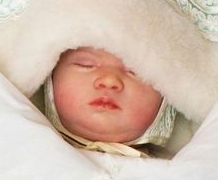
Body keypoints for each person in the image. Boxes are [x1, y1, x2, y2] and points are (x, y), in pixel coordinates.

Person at [42, 44, 178, 158]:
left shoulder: (177, 174)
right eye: (86, 65)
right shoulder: (32, 151)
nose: (109, 80)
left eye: (135, 71)